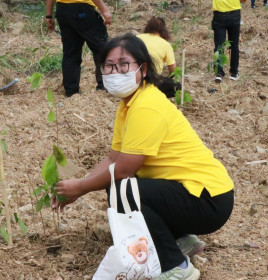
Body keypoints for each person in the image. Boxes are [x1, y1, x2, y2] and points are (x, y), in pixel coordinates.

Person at [52, 34, 234, 280]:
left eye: (124, 64)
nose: (116, 71)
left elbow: (124, 169)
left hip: (208, 199)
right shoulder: (129, 104)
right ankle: (181, 241)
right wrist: (75, 186)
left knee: (122, 188)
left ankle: (176, 267)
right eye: (109, 65)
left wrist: (81, 188)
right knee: (120, 185)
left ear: (143, 68)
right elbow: (113, 159)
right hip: (197, 194)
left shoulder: (146, 105)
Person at [45, 0, 111, 97]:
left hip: (62, 10)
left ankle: (71, 92)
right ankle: (104, 86)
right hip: (82, 8)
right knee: (101, 48)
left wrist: (48, 15)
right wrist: (104, 10)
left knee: (70, 52)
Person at [137, 16, 181, 98]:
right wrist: (168, 79)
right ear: (164, 30)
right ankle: (156, 95)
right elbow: (173, 71)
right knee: (178, 87)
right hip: (151, 79)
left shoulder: (137, 38)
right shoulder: (166, 44)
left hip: (133, 76)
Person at [212, 0, 241, 82]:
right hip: (234, 14)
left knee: (219, 47)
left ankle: (219, 73)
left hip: (219, 15)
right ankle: (234, 72)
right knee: (234, 45)